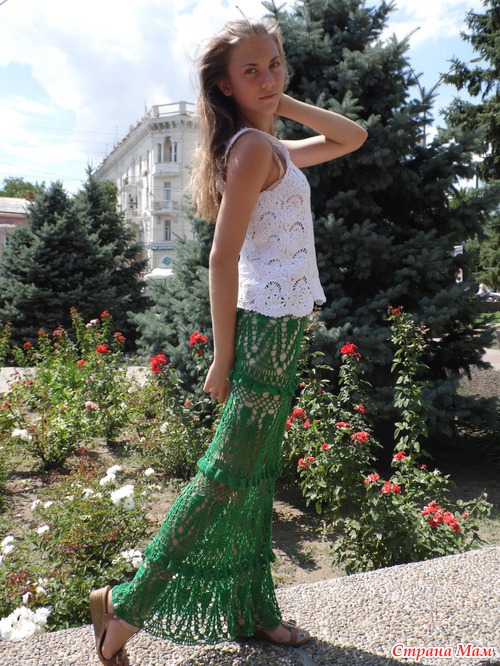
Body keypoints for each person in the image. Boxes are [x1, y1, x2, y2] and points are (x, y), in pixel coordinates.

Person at [89, 17, 367, 665]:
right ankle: (124, 607)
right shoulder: (250, 150)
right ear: (224, 86)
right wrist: (223, 354)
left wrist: (277, 99)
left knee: (255, 477)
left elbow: (351, 137)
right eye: (251, 71)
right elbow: (222, 256)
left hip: (285, 327)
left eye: (275, 65)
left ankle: (252, 609)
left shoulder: (270, 147)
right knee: (225, 477)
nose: (268, 77)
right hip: (264, 331)